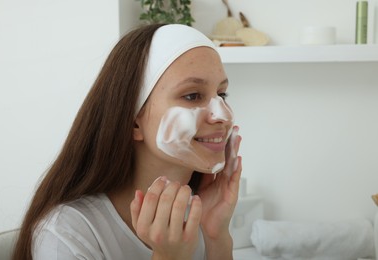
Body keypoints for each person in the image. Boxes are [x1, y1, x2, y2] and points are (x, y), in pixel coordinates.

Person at [13, 23, 242, 260]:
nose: (224, 115)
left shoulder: (202, 213)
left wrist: (217, 236)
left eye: (221, 94)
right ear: (133, 121)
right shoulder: (67, 233)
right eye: (192, 96)